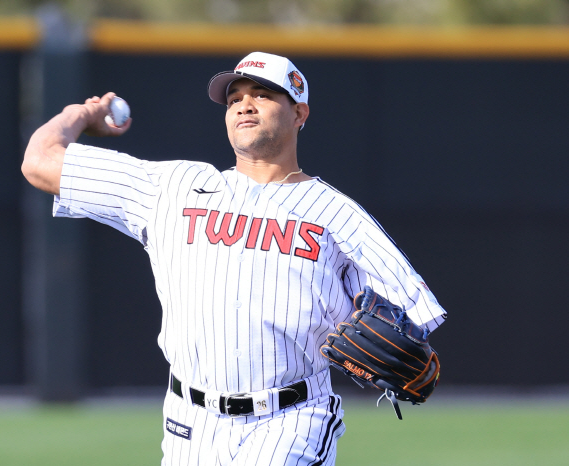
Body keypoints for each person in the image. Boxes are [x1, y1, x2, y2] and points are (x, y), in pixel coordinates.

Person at [22, 51, 447, 466]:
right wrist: (79, 113)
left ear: (299, 114)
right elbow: (40, 162)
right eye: (233, 97)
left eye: (262, 94)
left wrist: (405, 347)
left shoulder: (338, 215)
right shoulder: (171, 187)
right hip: (189, 420)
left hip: (292, 418)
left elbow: (413, 313)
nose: (244, 103)